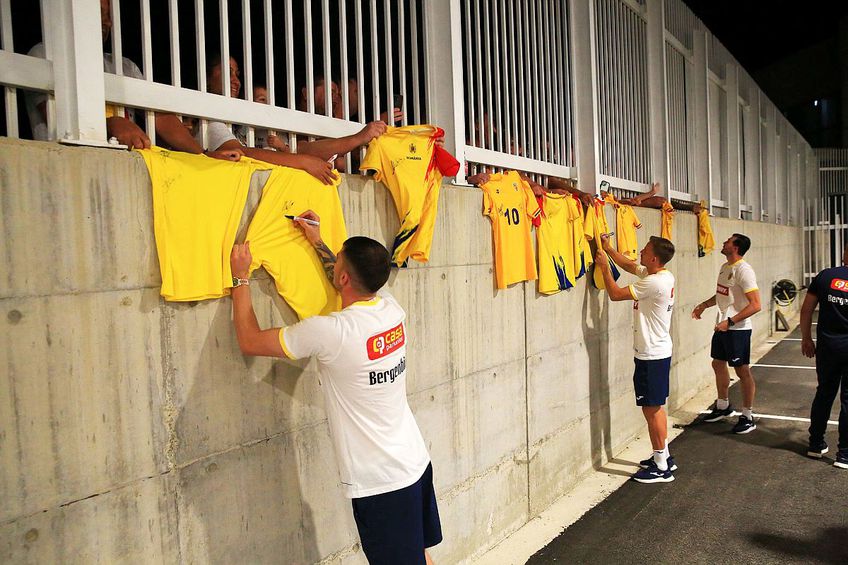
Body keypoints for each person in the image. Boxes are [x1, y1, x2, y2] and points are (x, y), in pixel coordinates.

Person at [228, 210, 441, 564]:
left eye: (338, 260)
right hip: (414, 463)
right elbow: (342, 279)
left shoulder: (331, 331)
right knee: (418, 556)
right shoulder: (391, 308)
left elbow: (250, 341)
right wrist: (317, 241)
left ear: (344, 276)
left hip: (383, 483)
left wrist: (240, 279)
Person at [23, 0, 239, 162]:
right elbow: (55, 111)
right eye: (99, 12)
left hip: (127, 166)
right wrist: (111, 122)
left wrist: (203, 155)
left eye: (108, 16)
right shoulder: (45, 53)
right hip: (68, 162)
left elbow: (161, 118)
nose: (106, 21)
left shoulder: (125, 66)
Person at [201, 58, 387, 183]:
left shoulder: (262, 127)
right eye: (229, 72)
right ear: (206, 78)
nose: (236, 81)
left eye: (238, 74)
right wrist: (303, 162)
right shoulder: (207, 122)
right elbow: (240, 152)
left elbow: (303, 149)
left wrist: (359, 138)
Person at [596, 234, 678, 483]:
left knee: (651, 409)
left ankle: (661, 466)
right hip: (656, 351)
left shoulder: (653, 283)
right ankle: (663, 455)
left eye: (644, 250)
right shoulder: (662, 275)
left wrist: (604, 267)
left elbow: (616, 294)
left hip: (651, 355)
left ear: (654, 258)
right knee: (656, 407)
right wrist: (609, 249)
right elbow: (631, 266)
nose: (640, 252)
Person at [693, 234, 762, 433]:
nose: (724, 243)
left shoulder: (744, 270)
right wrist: (704, 305)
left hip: (737, 329)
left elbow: (756, 305)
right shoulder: (725, 267)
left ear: (736, 247)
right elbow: (723, 294)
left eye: (728, 241)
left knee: (742, 371)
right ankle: (723, 407)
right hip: (722, 326)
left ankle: (748, 416)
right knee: (717, 363)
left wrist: (731, 322)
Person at [800, 244, 848, 469]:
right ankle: (844, 455)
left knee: (824, 394)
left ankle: (816, 444)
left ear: (845, 253)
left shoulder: (826, 276)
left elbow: (807, 309)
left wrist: (806, 338)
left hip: (828, 347)